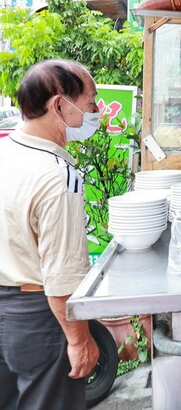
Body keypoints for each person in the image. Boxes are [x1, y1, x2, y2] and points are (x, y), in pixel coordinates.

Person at [0, 59, 100, 409]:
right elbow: (62, 277)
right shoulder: (59, 175)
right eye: (91, 104)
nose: (96, 112)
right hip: (36, 314)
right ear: (59, 105)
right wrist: (79, 339)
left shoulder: (4, 151)